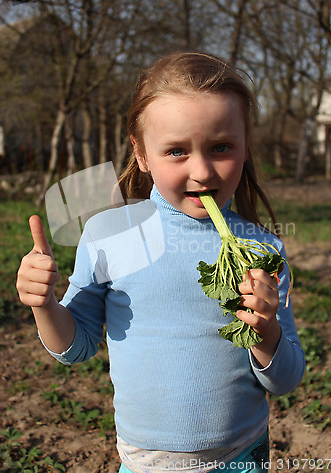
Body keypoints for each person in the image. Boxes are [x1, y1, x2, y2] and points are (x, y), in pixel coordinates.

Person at [16, 51, 305, 473]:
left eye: (221, 147)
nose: (203, 171)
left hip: (243, 456)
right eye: (176, 151)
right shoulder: (108, 235)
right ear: (142, 153)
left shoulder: (263, 250)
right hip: (146, 463)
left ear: (245, 147)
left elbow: (286, 380)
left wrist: (266, 333)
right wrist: (44, 305)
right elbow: (75, 347)